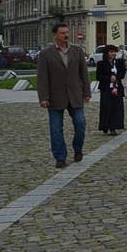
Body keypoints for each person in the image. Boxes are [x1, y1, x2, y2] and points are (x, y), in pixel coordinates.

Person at [37, 23, 90, 168]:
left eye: (67, 32)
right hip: (55, 96)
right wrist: (43, 97)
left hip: (75, 94)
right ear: (55, 35)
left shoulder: (77, 51)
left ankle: (78, 149)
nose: (66, 35)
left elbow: (84, 73)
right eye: (62, 33)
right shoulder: (46, 53)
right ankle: (60, 157)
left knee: (80, 123)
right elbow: (42, 77)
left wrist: (87, 92)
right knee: (56, 129)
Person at [96, 45, 126, 135]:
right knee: (106, 107)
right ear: (107, 53)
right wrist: (109, 77)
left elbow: (122, 73)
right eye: (111, 52)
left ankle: (113, 127)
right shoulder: (101, 63)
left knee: (116, 108)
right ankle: (105, 125)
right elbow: (98, 76)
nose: (113, 54)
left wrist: (116, 77)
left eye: (114, 52)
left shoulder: (119, 62)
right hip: (106, 89)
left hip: (117, 88)